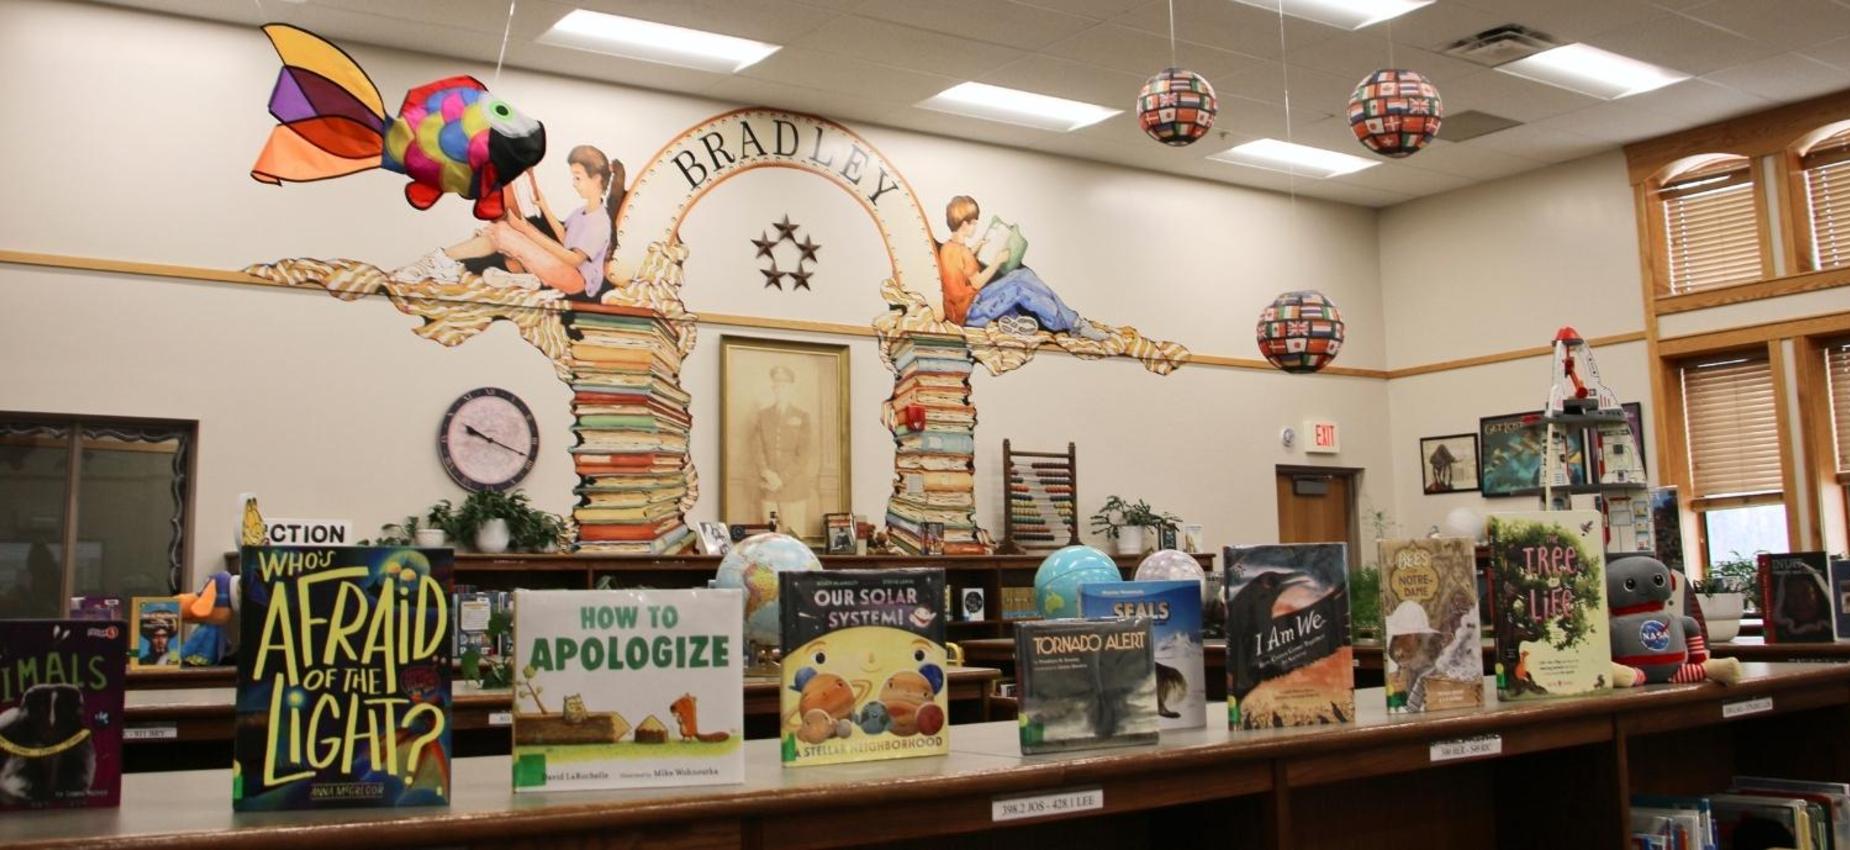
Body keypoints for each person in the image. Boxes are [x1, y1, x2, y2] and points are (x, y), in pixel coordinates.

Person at [394, 145, 623, 299]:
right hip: (567, 269)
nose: (574, 183)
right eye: (573, 177)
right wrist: (544, 207)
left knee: (504, 232)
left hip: (576, 280)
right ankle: (445, 260)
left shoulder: (599, 222)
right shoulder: (581, 213)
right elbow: (565, 241)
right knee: (501, 229)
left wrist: (528, 232)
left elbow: (574, 259)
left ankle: (441, 260)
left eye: (578, 178)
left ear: (597, 179)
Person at [937, 195, 1110, 341]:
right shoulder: (962, 252)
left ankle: (1023, 321)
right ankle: (1070, 324)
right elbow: (976, 283)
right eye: (974, 223)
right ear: (965, 224)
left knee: (1023, 274)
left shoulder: (948, 248)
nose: (975, 227)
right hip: (970, 313)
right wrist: (998, 260)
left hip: (966, 305)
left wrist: (977, 246)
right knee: (1020, 288)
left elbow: (960, 264)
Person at [745, 365, 818, 538]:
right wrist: (766, 472)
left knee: (795, 540)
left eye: (784, 384)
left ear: (791, 387)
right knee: (769, 540)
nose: (780, 388)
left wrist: (781, 478)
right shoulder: (763, 415)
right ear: (773, 387)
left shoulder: (802, 416)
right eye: (777, 384)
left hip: (794, 489)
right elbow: (757, 448)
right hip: (768, 487)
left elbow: (804, 455)